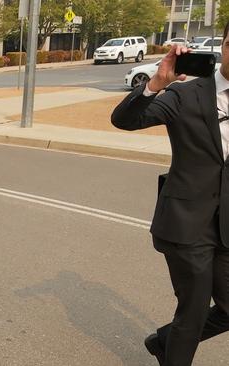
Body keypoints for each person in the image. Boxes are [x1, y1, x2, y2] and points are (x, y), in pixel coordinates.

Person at [111, 28, 229, 366]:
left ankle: (164, 341)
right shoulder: (185, 94)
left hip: (226, 227)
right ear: (222, 47)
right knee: (192, 312)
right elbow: (125, 120)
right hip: (186, 225)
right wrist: (156, 84)